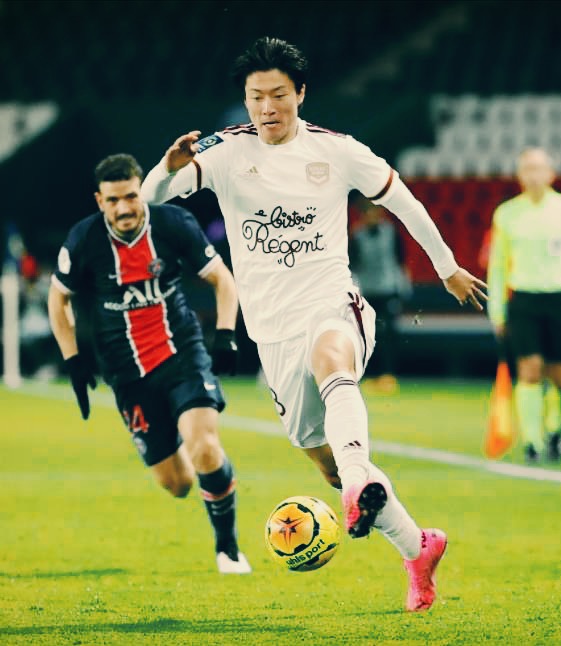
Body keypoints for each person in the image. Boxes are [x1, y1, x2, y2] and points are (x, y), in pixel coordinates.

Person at [141, 37, 486, 611]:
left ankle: (357, 478)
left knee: (333, 360)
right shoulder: (225, 152)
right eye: (256, 97)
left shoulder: (338, 150)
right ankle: (417, 547)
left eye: (278, 94)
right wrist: (166, 168)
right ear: (246, 100)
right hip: (271, 331)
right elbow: (152, 199)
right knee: (323, 460)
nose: (267, 107)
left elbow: (403, 201)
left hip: (331, 301)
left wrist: (446, 268)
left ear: (300, 93)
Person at [48, 153, 251, 574]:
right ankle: (205, 470)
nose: (124, 208)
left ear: (141, 192)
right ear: (99, 201)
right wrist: (73, 361)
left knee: (204, 447)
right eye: (113, 200)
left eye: (130, 196)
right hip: (127, 374)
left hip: (181, 354)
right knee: (177, 484)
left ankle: (228, 548)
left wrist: (226, 334)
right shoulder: (84, 239)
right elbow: (58, 298)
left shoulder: (173, 224)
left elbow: (221, 278)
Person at [487, 147, 561, 463]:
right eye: (527, 169)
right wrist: (497, 309)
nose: (533, 175)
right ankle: (533, 440)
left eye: (538, 168)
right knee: (529, 370)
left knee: (557, 372)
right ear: (519, 175)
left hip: (557, 298)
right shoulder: (507, 214)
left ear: (551, 173)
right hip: (524, 299)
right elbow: (498, 264)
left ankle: (554, 429)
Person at [349, 193, 412, 394]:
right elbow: (353, 265)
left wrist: (403, 290)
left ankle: (388, 375)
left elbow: (400, 261)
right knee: (366, 334)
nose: (373, 216)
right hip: (367, 291)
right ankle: (368, 375)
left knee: (388, 335)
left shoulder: (391, 232)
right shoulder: (356, 235)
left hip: (388, 289)